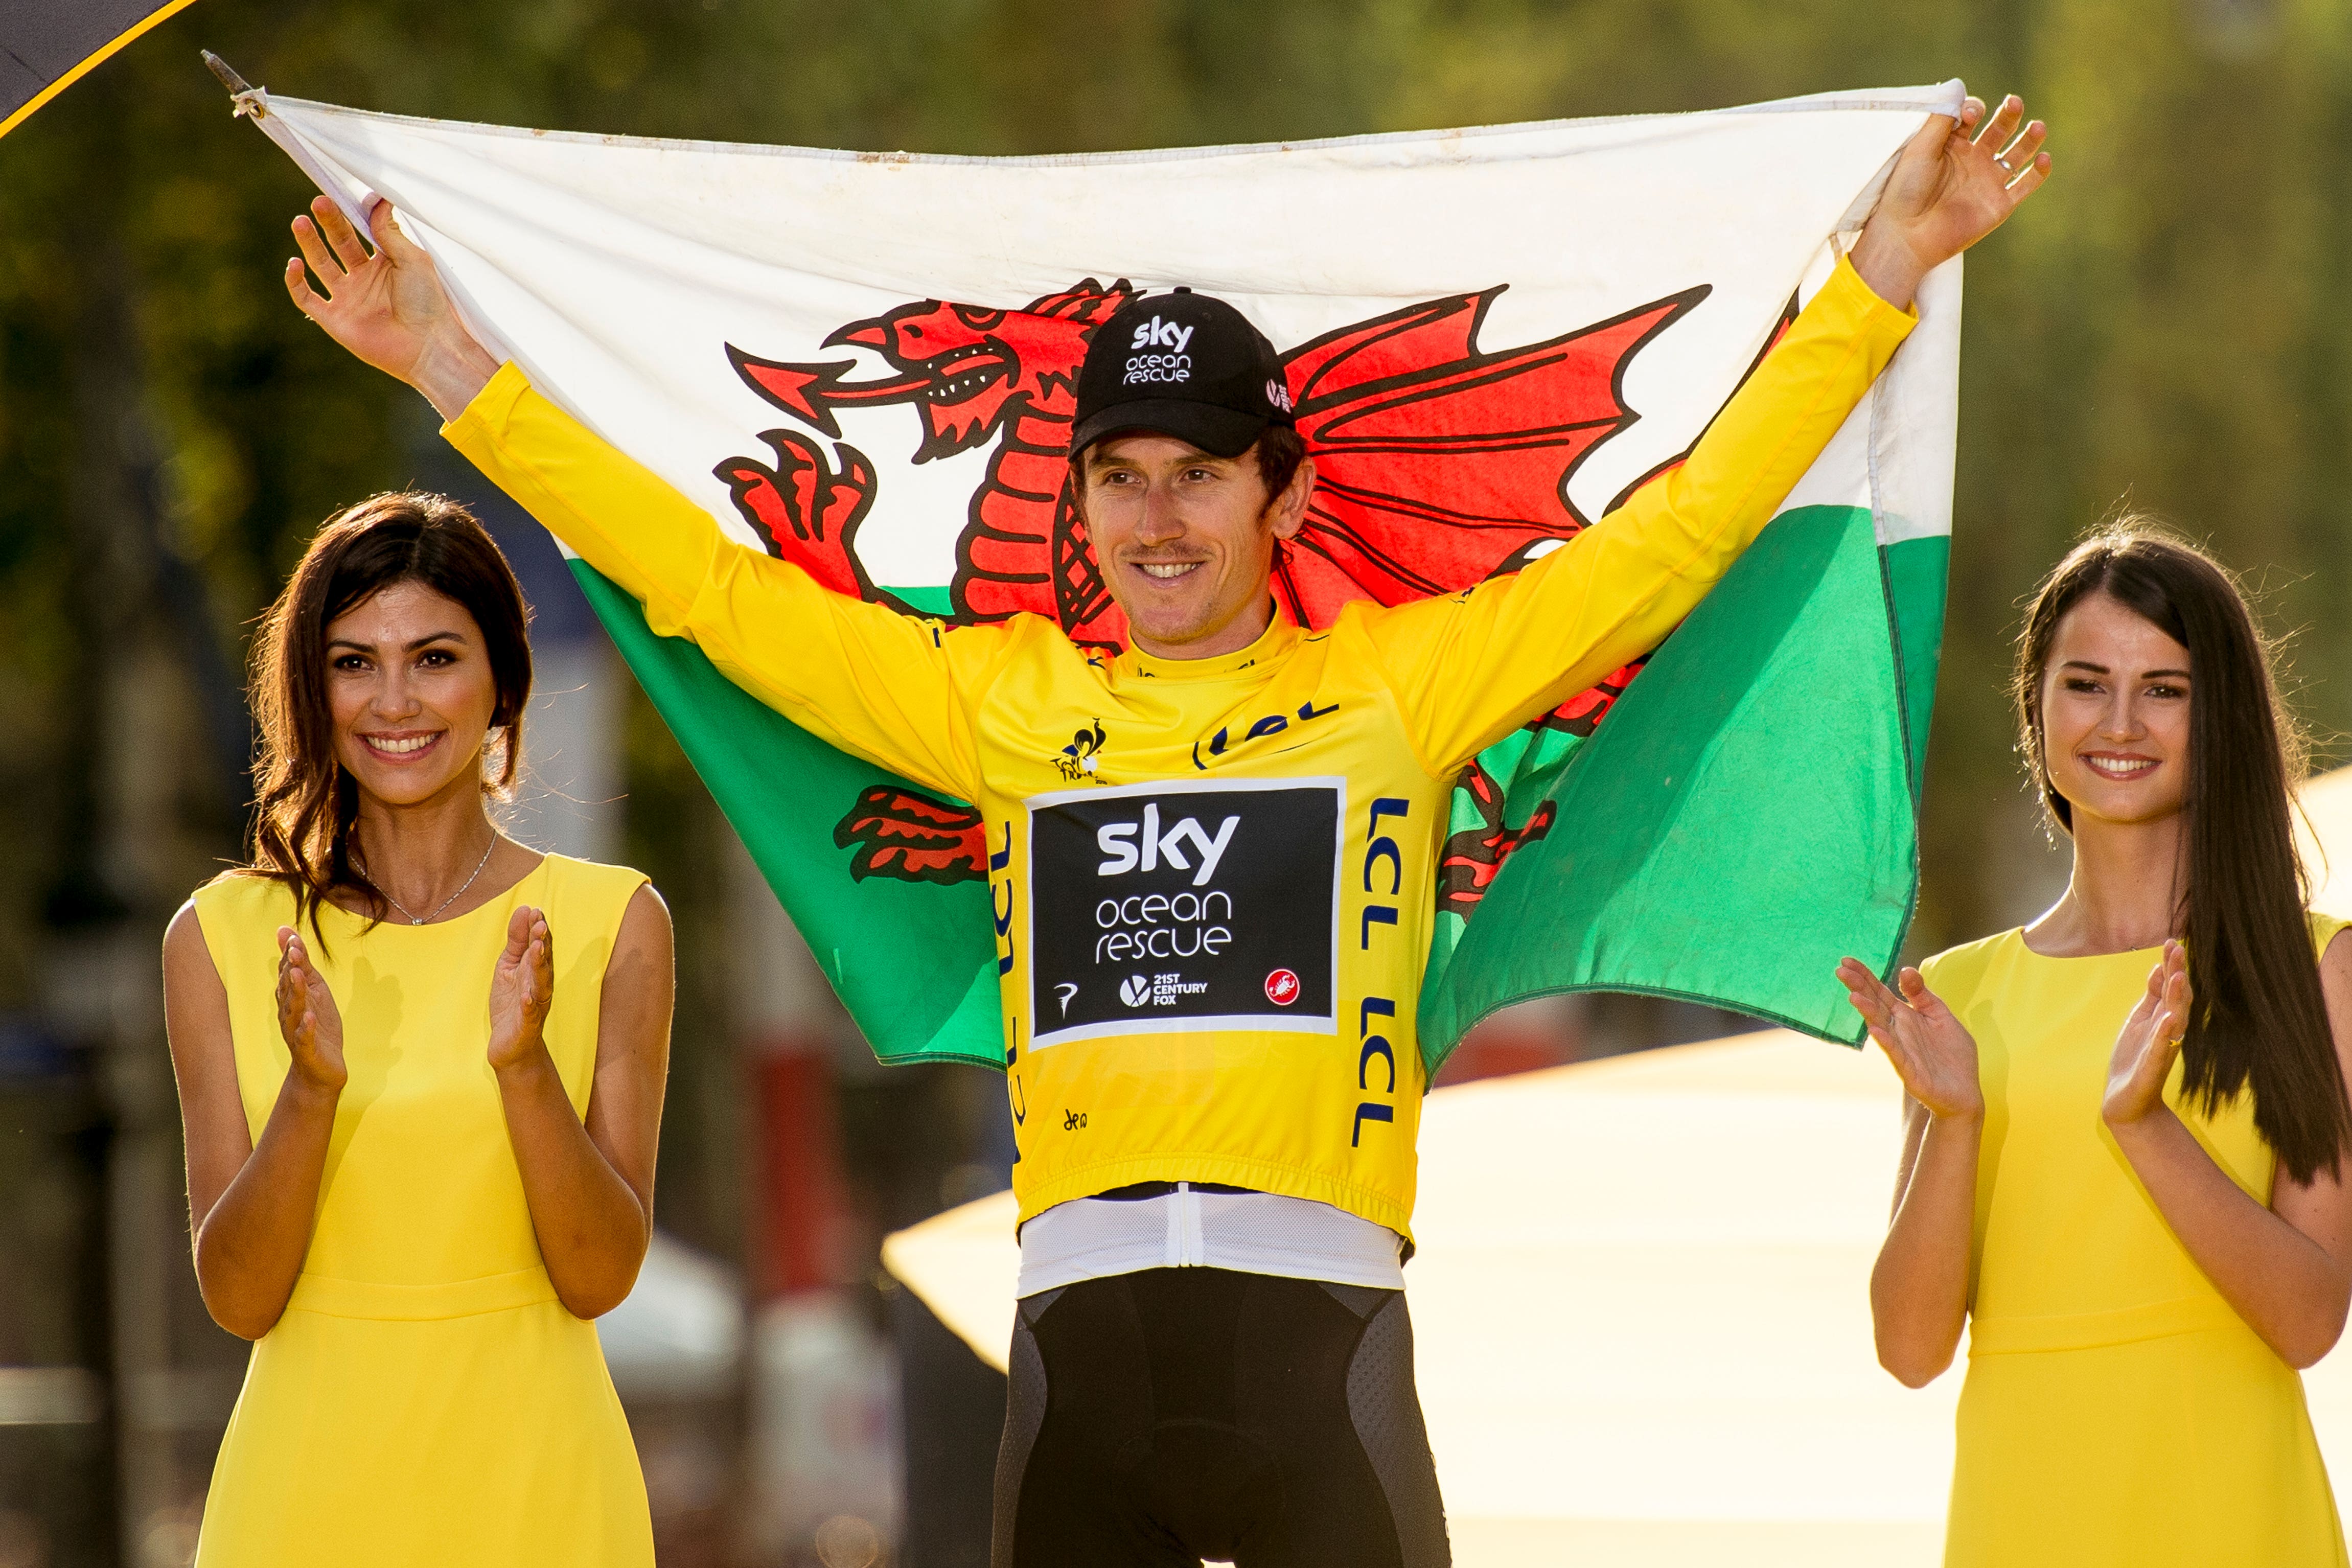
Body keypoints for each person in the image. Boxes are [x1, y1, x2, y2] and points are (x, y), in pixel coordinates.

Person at [282, 95, 2045, 1566]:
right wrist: (451, 360)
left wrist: (1881, 270)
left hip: (1325, 1326)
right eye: (1117, 472)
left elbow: (1675, 533)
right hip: (1075, 1337)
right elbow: (705, 585)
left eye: (1200, 470)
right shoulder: (1003, 700)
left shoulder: (1399, 689)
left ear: (1281, 494)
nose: (1156, 512)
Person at [162, 494, 675, 1567]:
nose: (394, 700)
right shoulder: (220, 936)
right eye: (354, 663)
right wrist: (311, 1093)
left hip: (540, 1489)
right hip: (305, 1497)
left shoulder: (613, 921)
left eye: (434, 657)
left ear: (503, 680)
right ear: (313, 685)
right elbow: (240, 1296)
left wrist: (524, 1067)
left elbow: (598, 1277)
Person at [1840, 526, 2352, 1567]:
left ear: (2225, 719)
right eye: (2086, 682)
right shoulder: (1960, 994)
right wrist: (1957, 1121)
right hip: (2022, 1518)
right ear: (2035, 704)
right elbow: (1909, 1348)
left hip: (2234, 1516)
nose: (2121, 722)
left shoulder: (2318, 970)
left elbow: (2308, 1319)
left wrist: (2144, 1124)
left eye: (2166, 688)